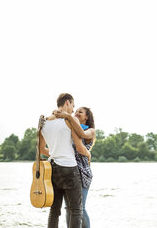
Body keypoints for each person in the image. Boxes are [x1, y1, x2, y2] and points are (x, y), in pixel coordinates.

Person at [39, 93, 91, 228]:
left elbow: (41, 149)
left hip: (52, 168)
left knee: (54, 210)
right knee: (76, 210)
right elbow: (80, 147)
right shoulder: (70, 120)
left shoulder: (44, 122)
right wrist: (88, 154)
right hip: (69, 167)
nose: (73, 110)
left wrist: (56, 152)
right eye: (73, 106)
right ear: (67, 102)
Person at [54, 106, 95, 228]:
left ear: (87, 117)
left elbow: (81, 138)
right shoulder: (70, 128)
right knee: (69, 208)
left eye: (80, 112)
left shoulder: (90, 130)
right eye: (76, 111)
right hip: (69, 170)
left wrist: (68, 116)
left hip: (83, 171)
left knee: (80, 207)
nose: (76, 113)